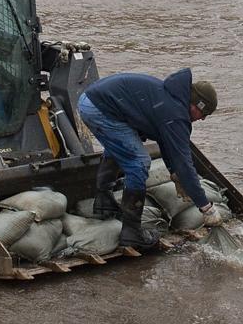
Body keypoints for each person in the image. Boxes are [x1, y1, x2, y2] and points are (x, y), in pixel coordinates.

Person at [77, 68, 220, 251]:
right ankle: (131, 232)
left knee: (121, 146)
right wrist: (206, 207)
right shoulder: (175, 113)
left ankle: (104, 201)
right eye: (204, 114)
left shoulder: (172, 99)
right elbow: (185, 163)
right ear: (197, 105)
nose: (203, 120)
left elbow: (167, 143)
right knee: (139, 161)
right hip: (101, 108)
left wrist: (173, 171)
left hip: (90, 100)